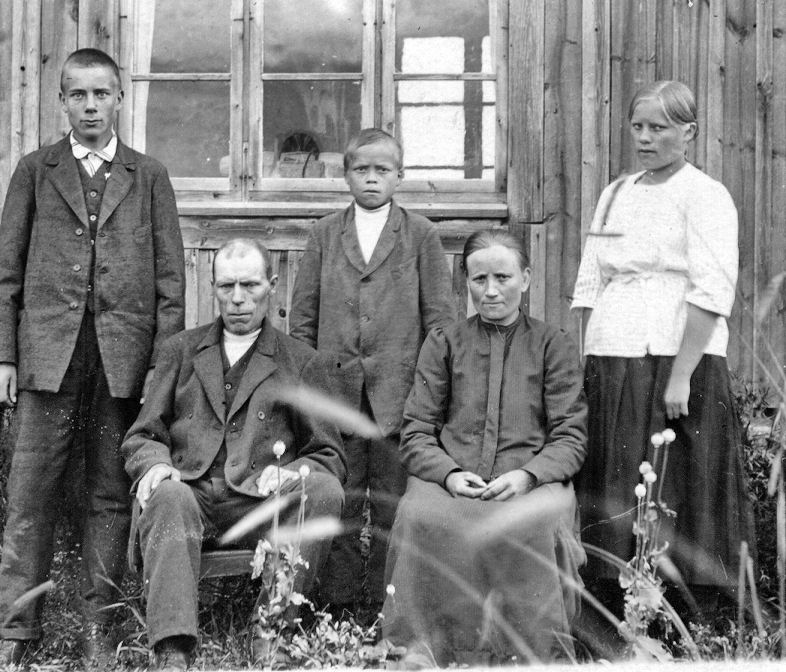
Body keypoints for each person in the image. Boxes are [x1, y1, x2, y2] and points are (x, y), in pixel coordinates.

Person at [0, 48, 185, 666]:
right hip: (49, 357)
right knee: (31, 492)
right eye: (78, 95)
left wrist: (161, 371)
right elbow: (6, 272)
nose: (91, 106)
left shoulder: (148, 176)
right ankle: (17, 630)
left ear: (119, 98)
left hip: (123, 362)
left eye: (101, 94)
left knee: (109, 494)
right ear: (63, 101)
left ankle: (101, 626)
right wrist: (1, 356)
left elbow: (171, 286)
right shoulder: (35, 171)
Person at [571, 80, 755, 612]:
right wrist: (589, 358)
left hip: (679, 357)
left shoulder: (706, 195)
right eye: (638, 127)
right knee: (614, 479)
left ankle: (689, 613)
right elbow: (591, 282)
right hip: (613, 352)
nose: (645, 138)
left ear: (689, 132)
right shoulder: (615, 193)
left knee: (680, 483)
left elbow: (712, 291)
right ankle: (612, 605)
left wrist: (681, 375)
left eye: (659, 128)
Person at [123, 239, 346, 671]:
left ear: (272, 286)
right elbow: (143, 435)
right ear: (213, 288)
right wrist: (156, 464)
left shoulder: (300, 361)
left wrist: (294, 472)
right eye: (227, 286)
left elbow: (328, 453)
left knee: (324, 491)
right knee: (167, 493)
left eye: (250, 285)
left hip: (262, 503)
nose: (238, 298)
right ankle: (172, 648)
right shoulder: (180, 351)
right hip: (192, 496)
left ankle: (271, 631)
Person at [381, 230, 587, 666]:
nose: (490, 291)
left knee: (534, 522)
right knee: (420, 514)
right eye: (479, 279)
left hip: (531, 481)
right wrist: (450, 475)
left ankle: (531, 655)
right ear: (466, 283)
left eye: (503, 277)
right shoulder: (444, 343)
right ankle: (424, 650)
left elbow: (570, 437)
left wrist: (528, 475)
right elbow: (416, 431)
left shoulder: (553, 345)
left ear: (526, 278)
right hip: (455, 481)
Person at [289, 128, 455, 613]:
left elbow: (440, 323)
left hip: (398, 397)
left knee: (390, 503)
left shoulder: (420, 235)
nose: (371, 178)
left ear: (400, 176)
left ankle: (388, 607)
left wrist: (429, 391)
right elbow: (303, 319)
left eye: (383, 170)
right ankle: (337, 605)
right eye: (361, 169)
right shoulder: (324, 234)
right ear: (346, 176)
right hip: (337, 395)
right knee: (339, 497)